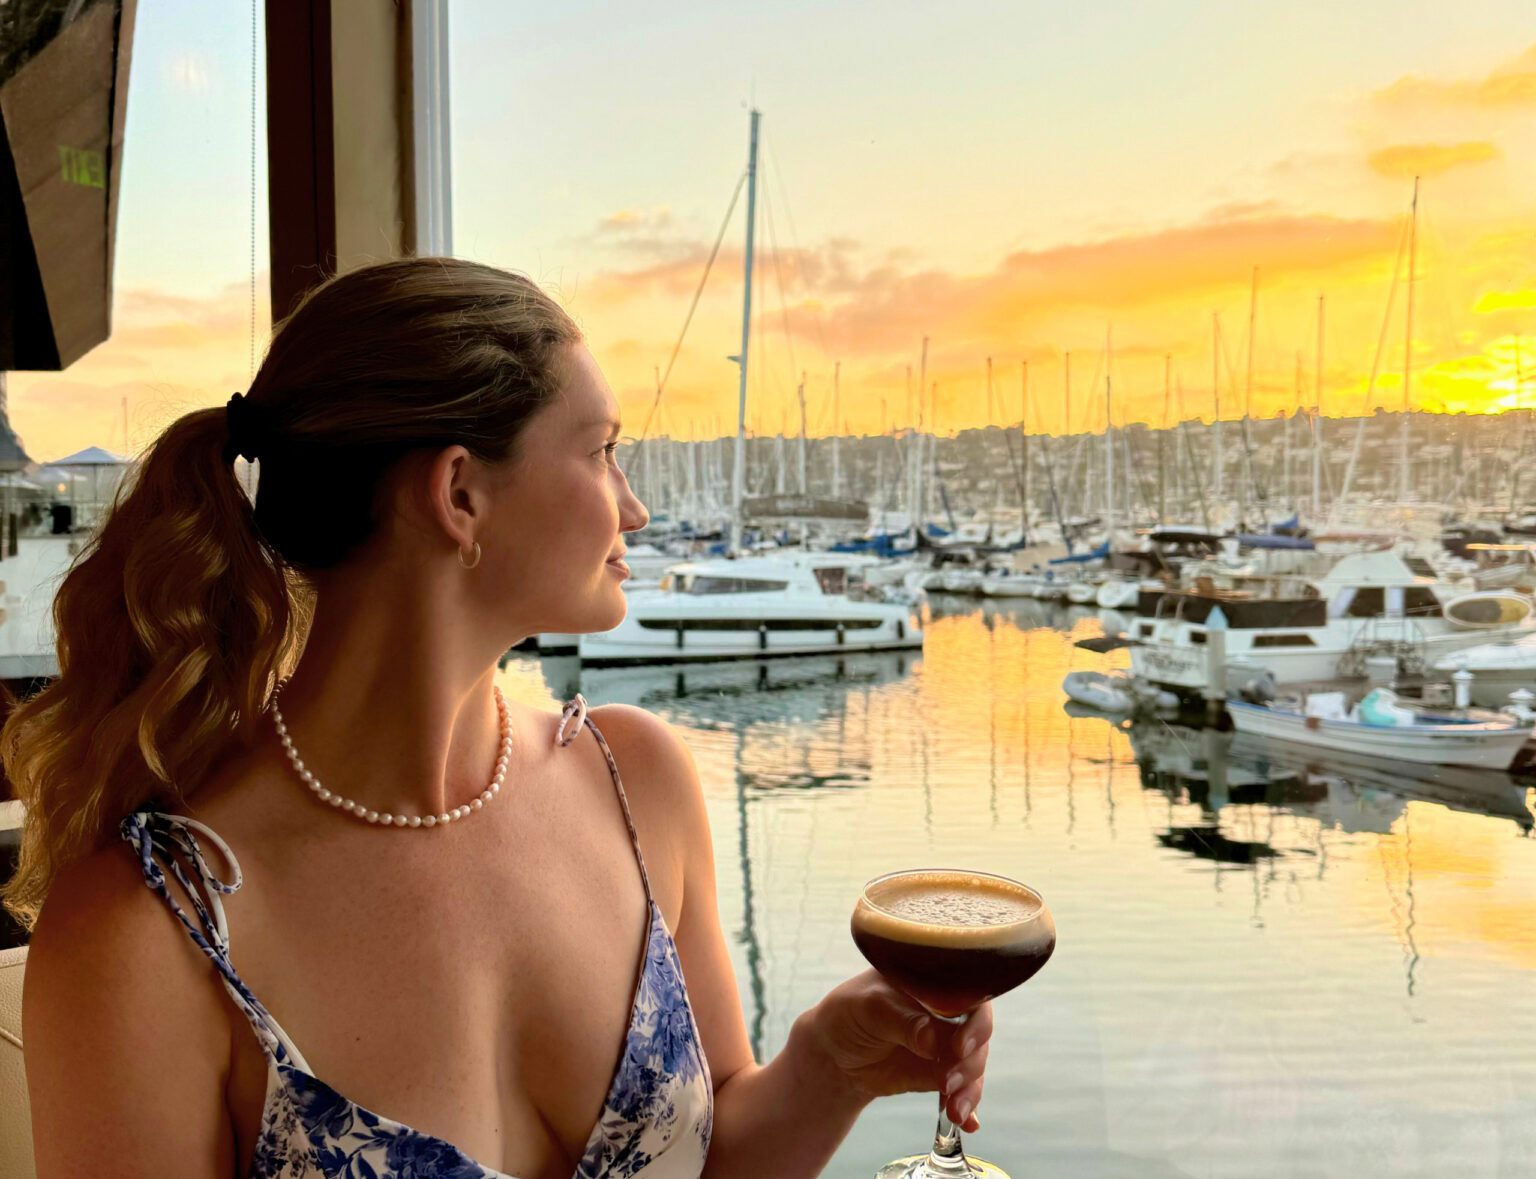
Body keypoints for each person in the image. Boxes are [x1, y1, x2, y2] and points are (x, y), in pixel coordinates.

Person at [6, 258, 992, 1178]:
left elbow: (717, 1153)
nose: (635, 508)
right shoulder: (149, 930)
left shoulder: (635, 780)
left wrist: (830, 1065)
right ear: (460, 494)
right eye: (604, 452)